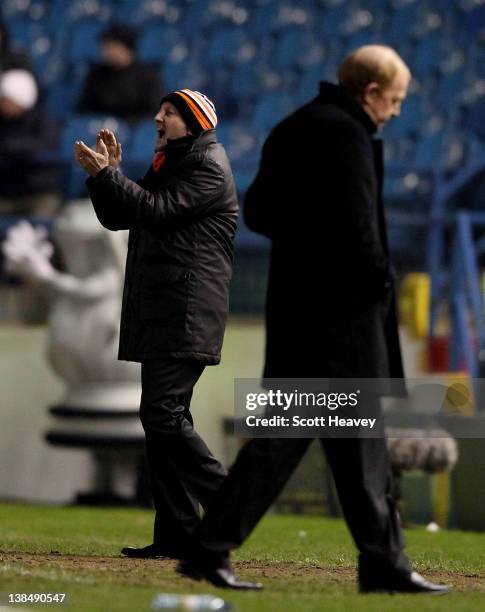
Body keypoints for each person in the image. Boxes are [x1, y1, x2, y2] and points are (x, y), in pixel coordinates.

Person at [177, 46, 450, 594]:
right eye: (394, 100)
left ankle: (379, 559)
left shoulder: (292, 126)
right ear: (371, 93)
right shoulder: (349, 135)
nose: (396, 112)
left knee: (333, 442)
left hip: (296, 306)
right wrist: (377, 284)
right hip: (343, 316)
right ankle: (375, 561)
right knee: (337, 439)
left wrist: (310, 241)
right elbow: (359, 225)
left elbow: (261, 212)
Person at [74, 89, 238, 558]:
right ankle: (177, 533)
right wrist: (108, 178)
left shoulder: (208, 166)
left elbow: (156, 212)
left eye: (168, 114)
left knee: (162, 415)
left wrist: (112, 177)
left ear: (194, 122)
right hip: (165, 309)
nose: (157, 118)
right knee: (163, 419)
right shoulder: (175, 162)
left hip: (186, 311)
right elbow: (121, 217)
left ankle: (231, 499)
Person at [0, 69, 61, 217]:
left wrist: (12, 149)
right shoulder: (2, 122)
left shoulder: (43, 120)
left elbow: (46, 149)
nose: (3, 104)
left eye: (7, 99)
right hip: (6, 193)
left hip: (38, 193)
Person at [77, 23, 165, 123]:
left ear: (125, 48)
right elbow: (84, 110)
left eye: (111, 46)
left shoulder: (148, 76)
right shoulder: (96, 75)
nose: (106, 51)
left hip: (136, 131)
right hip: (103, 130)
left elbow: (155, 111)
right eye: (105, 47)